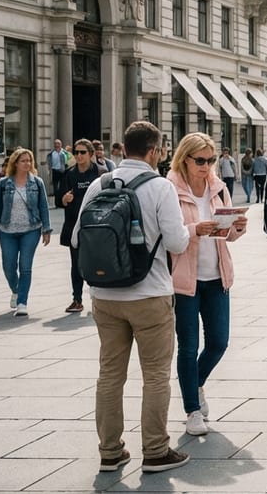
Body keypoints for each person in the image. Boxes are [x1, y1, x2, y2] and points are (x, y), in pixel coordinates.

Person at [73, 121, 192, 473]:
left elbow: (78, 238)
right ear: (154, 151)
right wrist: (188, 230)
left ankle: (110, 451)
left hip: (105, 294)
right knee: (155, 374)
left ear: (123, 148)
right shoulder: (160, 187)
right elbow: (176, 243)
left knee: (110, 374)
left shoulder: (99, 183)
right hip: (149, 293)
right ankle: (155, 450)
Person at [166, 133, 248, 437]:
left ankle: (195, 383)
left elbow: (226, 236)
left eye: (210, 160)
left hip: (217, 276)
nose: (206, 166)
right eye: (200, 160)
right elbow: (167, 235)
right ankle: (192, 410)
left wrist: (236, 228)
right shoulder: (170, 189)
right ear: (184, 159)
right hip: (185, 281)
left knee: (218, 342)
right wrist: (194, 229)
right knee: (188, 347)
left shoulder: (218, 187)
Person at [0, 148, 53, 316]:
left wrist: (46, 229)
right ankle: (16, 290)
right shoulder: (4, 184)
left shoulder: (37, 182)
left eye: (29, 160)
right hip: (7, 230)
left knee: (25, 266)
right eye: (23, 160)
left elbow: (44, 207)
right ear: (15, 163)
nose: (27, 164)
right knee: (9, 266)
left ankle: (22, 302)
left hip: (30, 230)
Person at [60, 139, 102, 313]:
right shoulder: (69, 174)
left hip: (96, 226)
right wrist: (64, 199)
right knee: (76, 264)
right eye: (76, 152)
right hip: (74, 226)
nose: (78, 155)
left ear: (91, 154)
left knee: (97, 263)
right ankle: (77, 299)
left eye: (82, 152)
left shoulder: (100, 173)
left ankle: (99, 298)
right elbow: (59, 198)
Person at [48, 139, 70, 208]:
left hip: (63, 171)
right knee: (55, 188)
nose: (57, 145)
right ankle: (56, 203)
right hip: (55, 171)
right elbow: (49, 163)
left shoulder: (64, 153)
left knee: (63, 187)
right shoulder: (51, 154)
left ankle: (62, 203)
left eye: (58, 144)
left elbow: (69, 161)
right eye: (56, 144)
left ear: (61, 145)